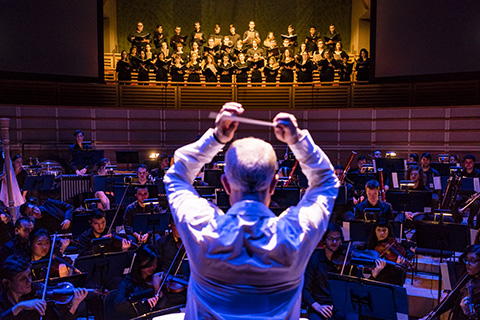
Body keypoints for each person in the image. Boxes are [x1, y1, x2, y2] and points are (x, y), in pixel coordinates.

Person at [163, 102, 339, 318]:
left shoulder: (203, 229)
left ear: (225, 184)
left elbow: (176, 176)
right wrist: (298, 140)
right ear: (274, 185)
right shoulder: (295, 233)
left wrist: (217, 137)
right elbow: (327, 182)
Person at [0, 255, 88, 320]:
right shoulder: (2, 303)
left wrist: (74, 306)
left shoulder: (37, 296)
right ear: (7, 283)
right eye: (22, 279)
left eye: (29, 275)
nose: (29, 281)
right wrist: (19, 306)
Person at [303, 223, 345, 320]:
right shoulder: (314, 260)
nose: (334, 242)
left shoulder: (346, 260)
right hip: (319, 304)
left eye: (337, 239)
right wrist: (316, 306)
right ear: (324, 239)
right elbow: (305, 289)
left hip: (340, 306)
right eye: (330, 238)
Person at [113, 244, 168, 320]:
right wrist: (141, 301)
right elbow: (119, 306)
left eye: (155, 263)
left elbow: (164, 308)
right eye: (149, 264)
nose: (152, 267)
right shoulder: (127, 282)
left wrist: (157, 287)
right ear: (140, 262)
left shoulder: (156, 279)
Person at [154, 216, 187, 306]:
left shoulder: (190, 243)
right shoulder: (162, 243)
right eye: (177, 226)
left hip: (185, 281)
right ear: (171, 226)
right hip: (168, 283)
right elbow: (157, 267)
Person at [366, 220, 407, 286]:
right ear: (374, 231)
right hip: (376, 285)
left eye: (384, 230)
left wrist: (397, 268)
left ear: (388, 231)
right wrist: (375, 273)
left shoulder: (393, 246)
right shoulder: (369, 247)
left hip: (391, 284)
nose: (381, 233)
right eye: (378, 230)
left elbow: (400, 282)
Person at [453, 154, 480, 226]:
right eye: (466, 162)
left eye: (470, 162)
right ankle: (457, 219)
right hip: (462, 195)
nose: (468, 164)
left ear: (474, 163)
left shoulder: (478, 173)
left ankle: (470, 220)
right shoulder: (460, 173)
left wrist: (476, 196)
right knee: (454, 201)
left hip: (474, 196)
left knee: (476, 204)